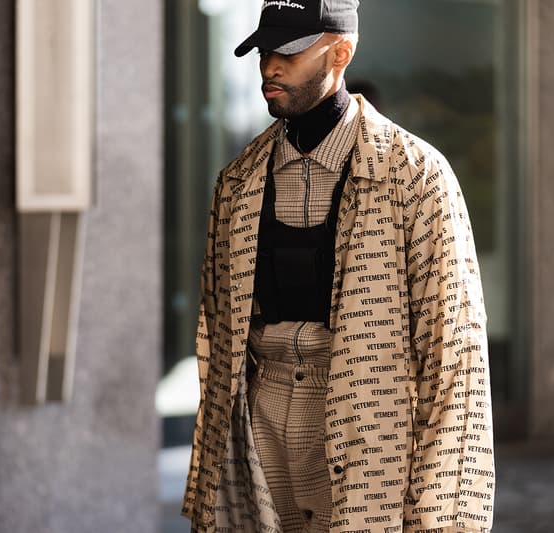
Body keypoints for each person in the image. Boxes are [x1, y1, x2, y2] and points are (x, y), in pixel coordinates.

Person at [183, 1, 495, 532]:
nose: (271, 67)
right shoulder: (237, 182)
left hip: (369, 420)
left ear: (341, 54)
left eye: (290, 53)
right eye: (265, 51)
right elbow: (217, 347)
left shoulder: (415, 177)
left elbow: (454, 354)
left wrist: (446, 513)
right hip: (259, 425)